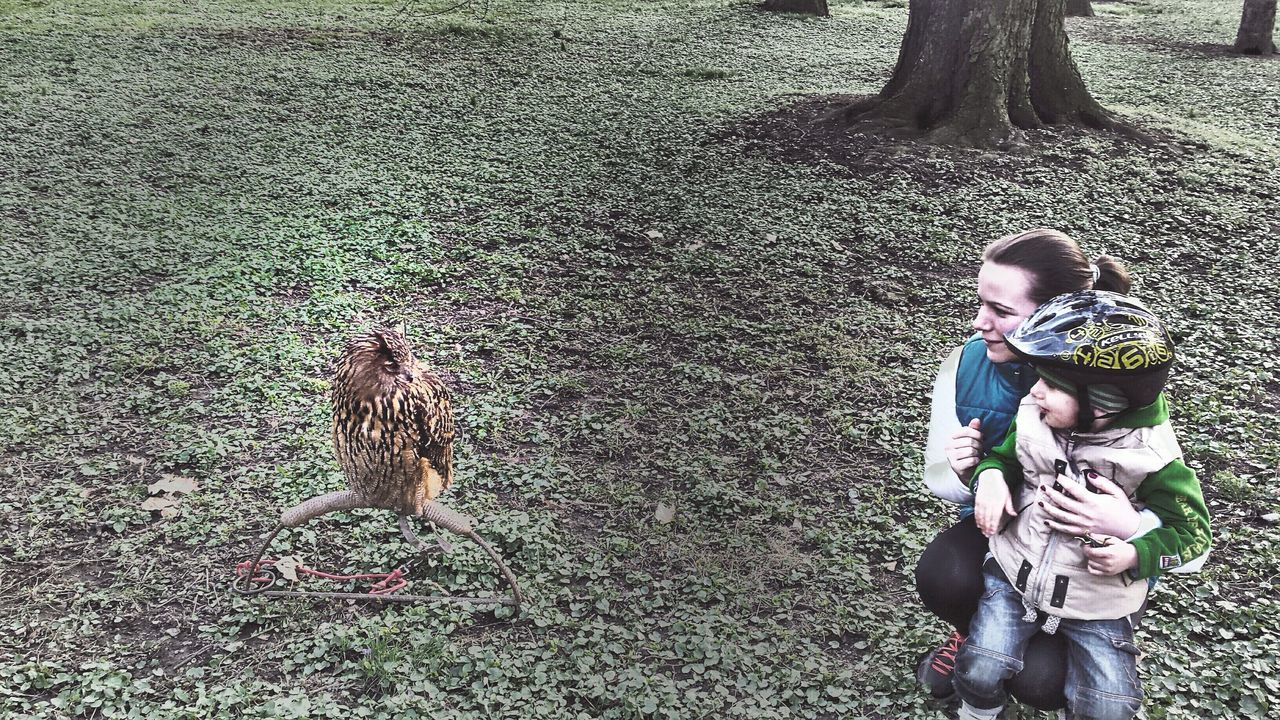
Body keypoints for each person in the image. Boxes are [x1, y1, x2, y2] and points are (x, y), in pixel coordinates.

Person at [916, 229, 1153, 710]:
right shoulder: (964, 364)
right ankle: (974, 635)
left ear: (1054, 316)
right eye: (981, 302)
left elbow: (1188, 540)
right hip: (1009, 542)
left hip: (1089, 570)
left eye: (1001, 311)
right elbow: (934, 475)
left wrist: (1129, 527)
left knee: (1039, 684)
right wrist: (973, 474)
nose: (980, 323)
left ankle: (1080, 639)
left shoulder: (1118, 390)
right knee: (944, 574)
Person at [952, 290, 1212, 720]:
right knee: (981, 666)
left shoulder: (1152, 460)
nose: (1035, 392)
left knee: (1110, 706)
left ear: (1103, 401)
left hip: (1099, 601)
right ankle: (978, 711)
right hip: (1016, 575)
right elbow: (1004, 458)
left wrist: (1133, 546)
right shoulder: (1034, 419)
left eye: (1051, 385)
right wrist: (991, 476)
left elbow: (1194, 535)